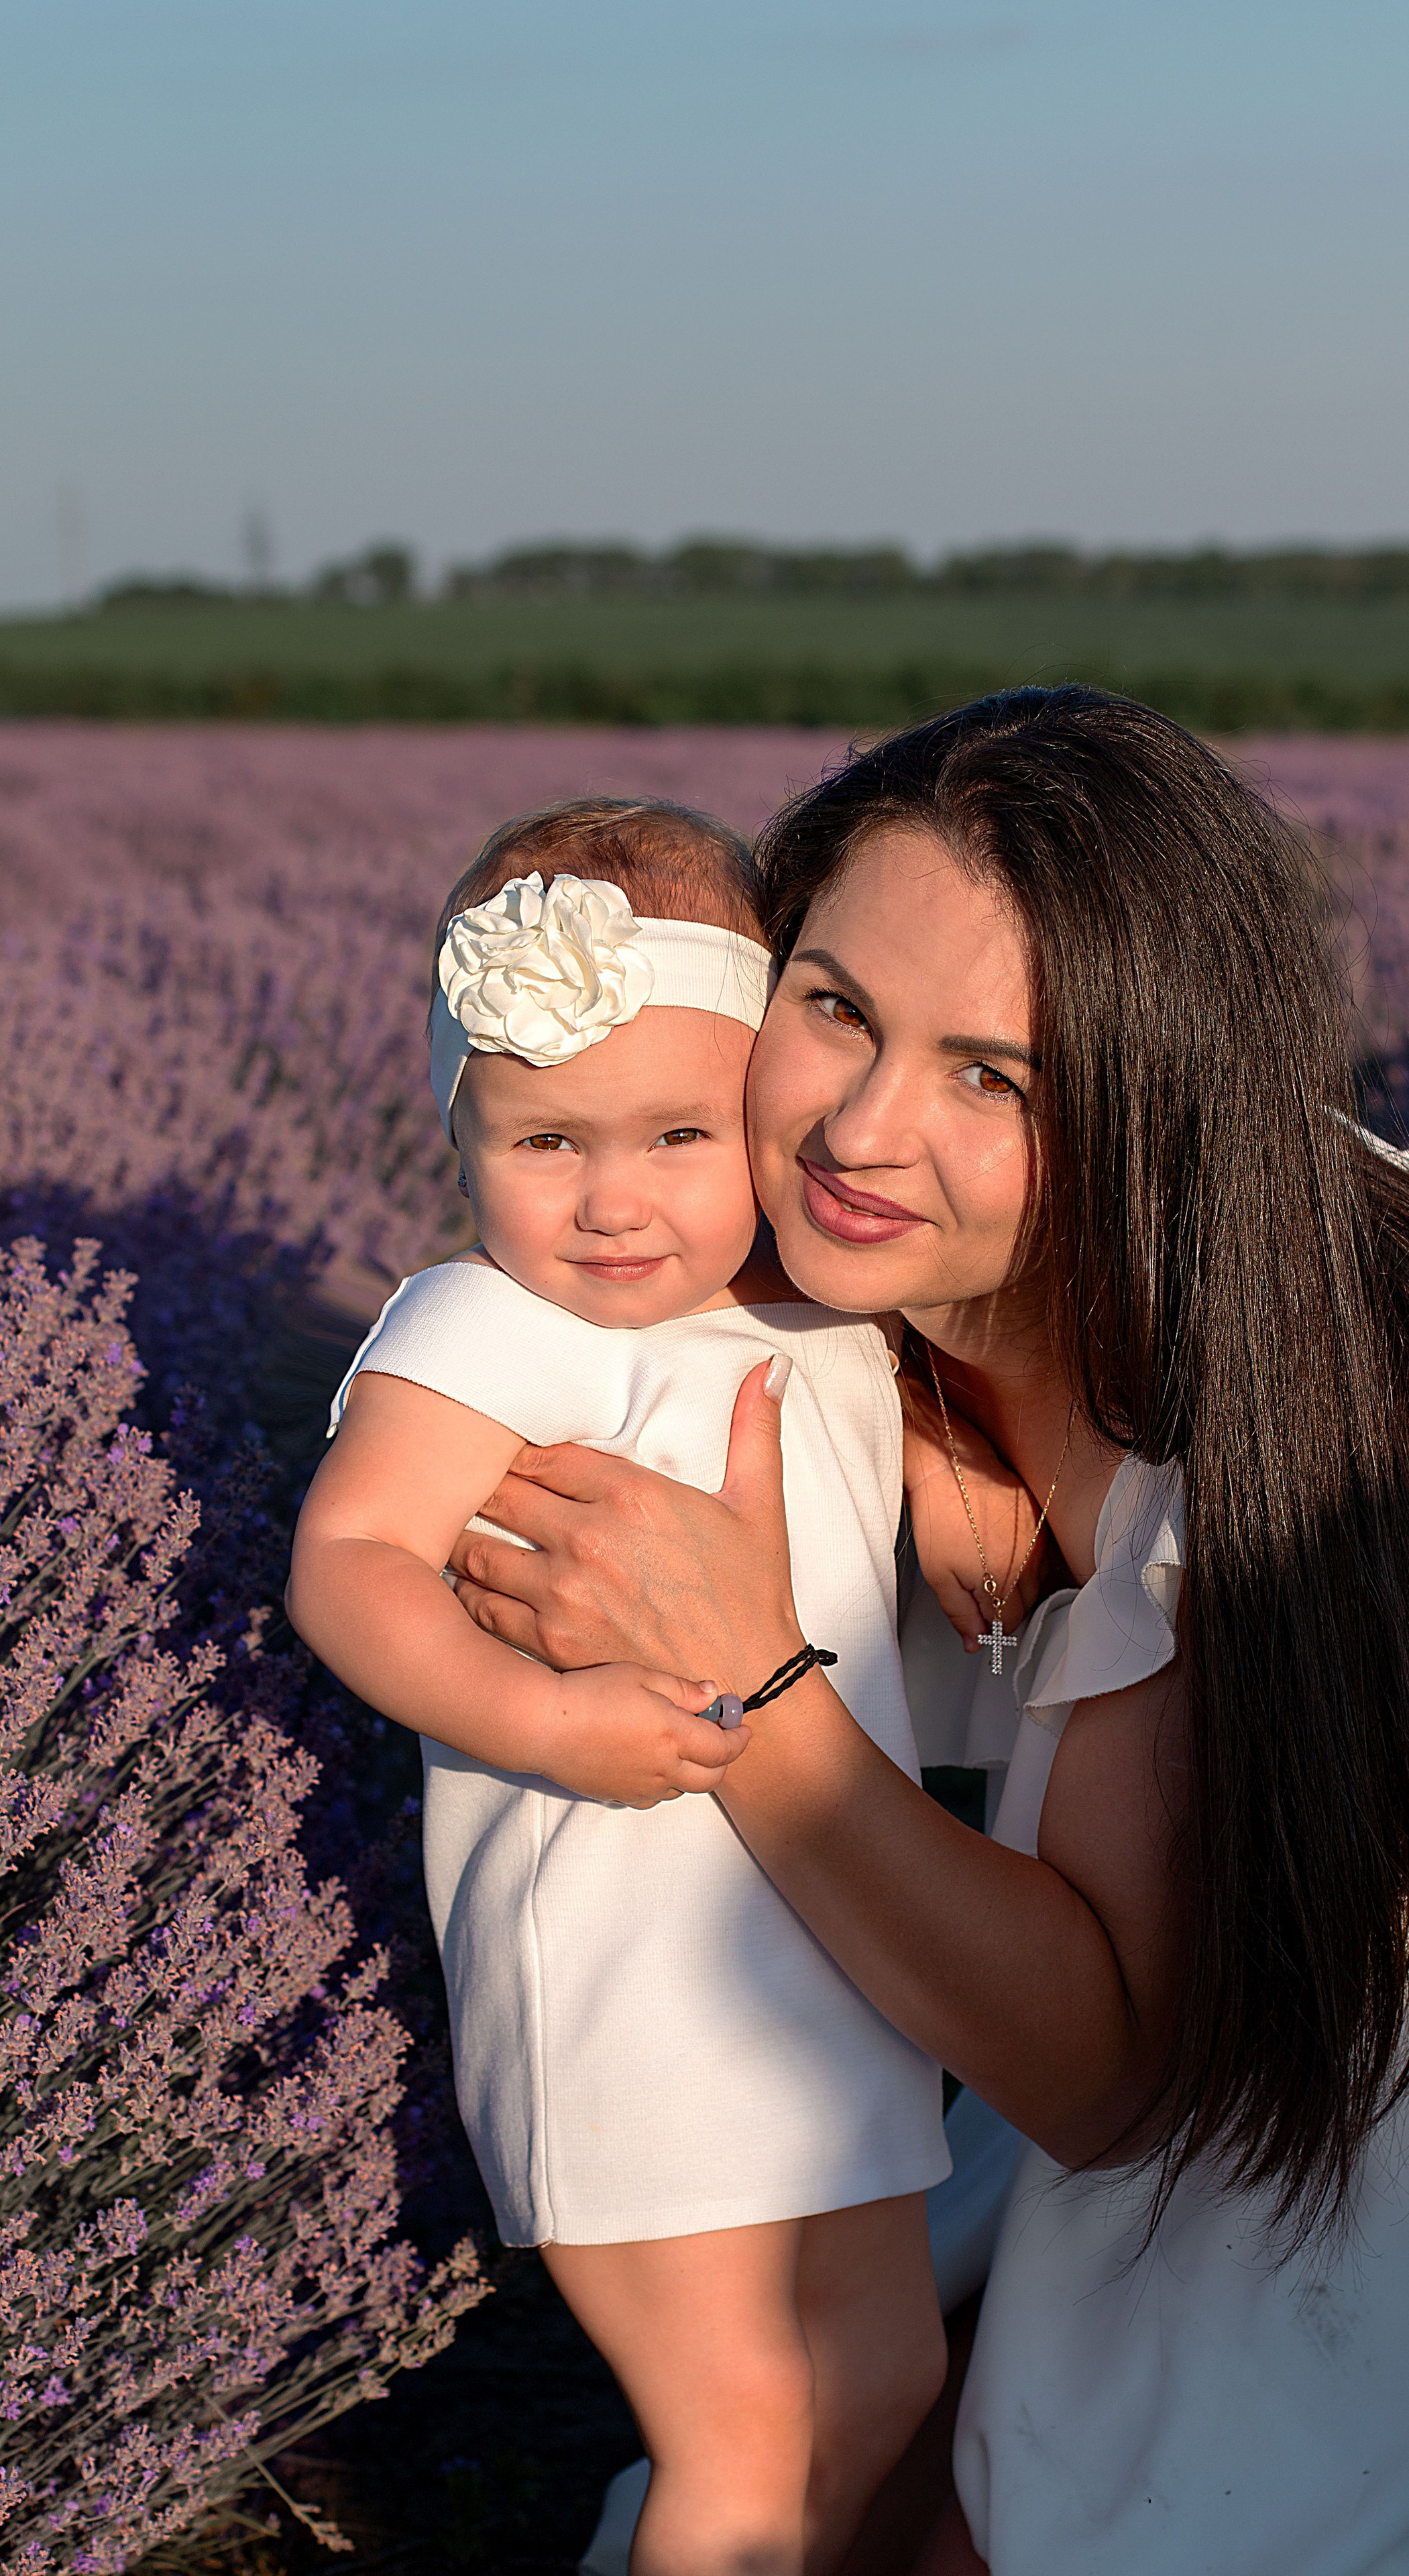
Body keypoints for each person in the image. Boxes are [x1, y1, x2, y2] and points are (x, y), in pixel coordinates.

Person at [442, 691, 1409, 2575]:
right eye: (838, 1008)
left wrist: (758, 1686)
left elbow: (1110, 2079)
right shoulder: (1104, 1234)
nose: (866, 1128)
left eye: (998, 1079)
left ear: (1146, 1103)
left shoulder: (1261, 1446)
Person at [287, 798, 1042, 2576]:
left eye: (680, 1135)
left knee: (873, 2379)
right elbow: (355, 1561)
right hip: (630, 1974)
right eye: (547, 1139)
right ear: (460, 1129)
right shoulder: (490, 1328)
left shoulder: (801, 1314)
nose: (615, 1201)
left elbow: (900, 1553)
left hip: (820, 1958)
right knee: (747, 2432)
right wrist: (546, 1721)